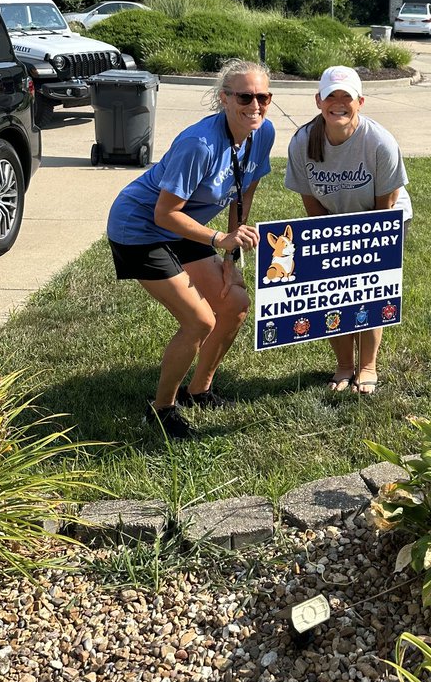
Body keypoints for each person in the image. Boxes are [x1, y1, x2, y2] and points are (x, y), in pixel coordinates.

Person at [107, 59, 275, 439]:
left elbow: (244, 191)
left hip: (187, 225)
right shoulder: (198, 144)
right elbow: (164, 214)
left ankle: (199, 390)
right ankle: (162, 408)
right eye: (245, 96)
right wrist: (218, 239)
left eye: (263, 96)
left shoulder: (262, 133)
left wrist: (231, 256)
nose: (255, 105)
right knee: (200, 320)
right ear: (225, 98)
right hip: (140, 227)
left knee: (233, 304)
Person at [285, 65, 411, 394]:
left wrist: (360, 246)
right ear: (318, 101)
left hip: (382, 218)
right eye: (331, 96)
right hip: (334, 218)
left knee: (370, 290)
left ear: (361, 102)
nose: (338, 103)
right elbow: (311, 204)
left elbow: (384, 209)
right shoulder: (301, 142)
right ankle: (343, 365)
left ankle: (368, 366)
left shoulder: (380, 143)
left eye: (347, 97)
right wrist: (331, 246)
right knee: (333, 292)